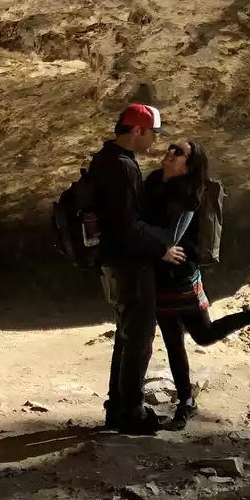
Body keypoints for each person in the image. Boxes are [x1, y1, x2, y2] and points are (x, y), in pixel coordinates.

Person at [145, 139, 250, 429]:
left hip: (181, 274)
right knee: (173, 342)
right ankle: (186, 403)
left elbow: (171, 237)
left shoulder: (188, 193)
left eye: (179, 152)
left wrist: (144, 235)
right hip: (156, 273)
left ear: (187, 165)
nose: (171, 152)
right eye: (172, 147)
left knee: (203, 335)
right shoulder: (153, 181)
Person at [88, 103, 185, 435]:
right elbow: (128, 226)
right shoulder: (123, 168)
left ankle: (118, 407)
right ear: (138, 131)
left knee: (127, 335)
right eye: (154, 133)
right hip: (129, 264)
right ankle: (129, 412)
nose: (155, 141)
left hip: (113, 262)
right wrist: (163, 246)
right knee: (139, 336)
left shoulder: (105, 159)